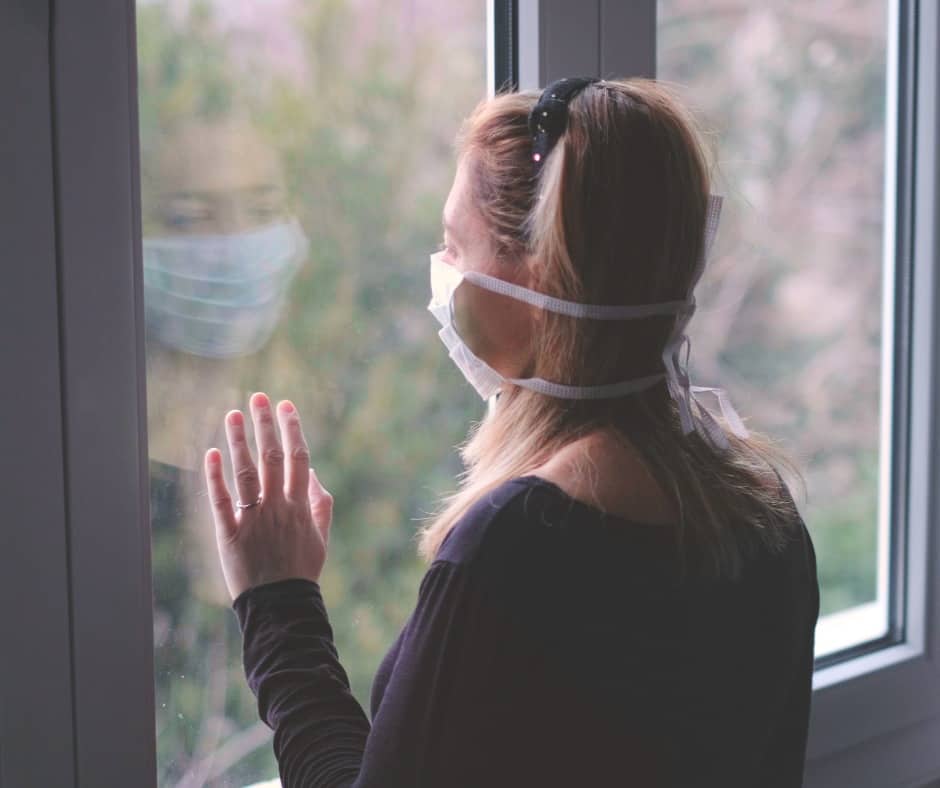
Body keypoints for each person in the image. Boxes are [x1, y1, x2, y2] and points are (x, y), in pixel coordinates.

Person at [203, 76, 820, 787]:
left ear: (539, 278)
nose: (443, 273)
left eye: (453, 245)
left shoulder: (517, 549)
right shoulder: (763, 511)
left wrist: (278, 604)